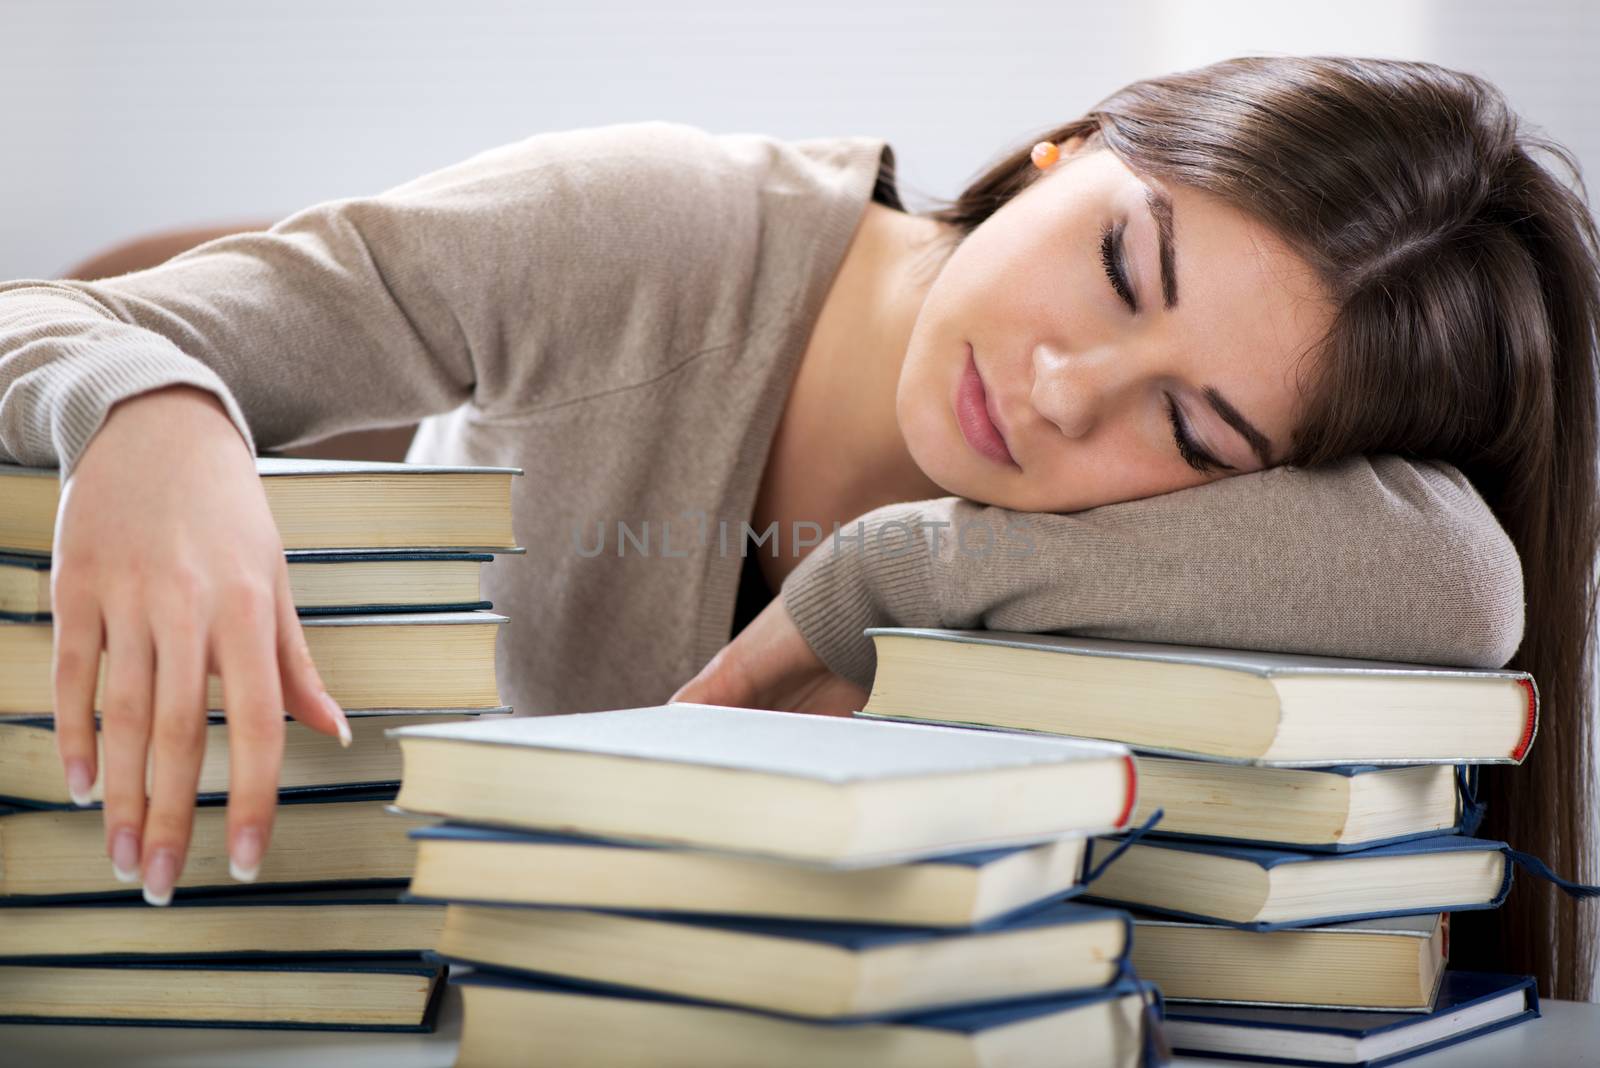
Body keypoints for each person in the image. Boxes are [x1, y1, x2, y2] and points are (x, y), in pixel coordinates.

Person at [0, 54, 1593, 1000]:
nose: (1057, 390)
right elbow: (49, 315)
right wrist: (149, 414)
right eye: (1121, 266)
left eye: (1188, 426)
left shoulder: (1215, 529)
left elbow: (1463, 576)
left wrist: (893, 576)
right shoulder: (641, 230)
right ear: (1074, 148)